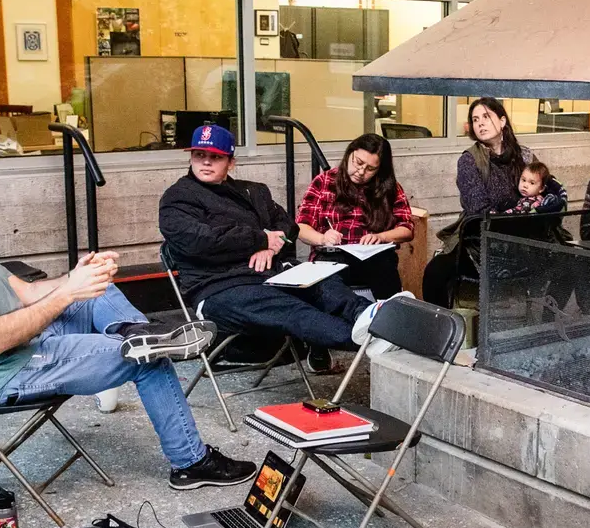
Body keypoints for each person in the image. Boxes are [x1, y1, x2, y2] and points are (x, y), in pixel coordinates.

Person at [0, 145, 256, 490]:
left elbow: (27, 293)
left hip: (22, 348)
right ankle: (191, 462)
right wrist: (68, 292)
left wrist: (79, 278)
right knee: (147, 359)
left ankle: (138, 332)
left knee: (100, 292)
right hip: (2, 374)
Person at [158, 124, 410, 371]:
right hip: (220, 286)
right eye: (199, 155)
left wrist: (270, 247)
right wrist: (260, 239)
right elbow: (200, 240)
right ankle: (370, 341)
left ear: (230, 163)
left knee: (323, 279)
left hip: (272, 272)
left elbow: (289, 226)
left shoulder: (253, 191)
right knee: (294, 311)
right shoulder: (178, 197)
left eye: (215, 157)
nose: (205, 162)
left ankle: (371, 317)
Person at [422, 97, 567, 308]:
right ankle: (444, 329)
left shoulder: (525, 156)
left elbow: (548, 188)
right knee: (435, 273)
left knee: (569, 263)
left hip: (527, 237)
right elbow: (478, 209)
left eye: (486, 117)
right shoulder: (469, 160)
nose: (480, 123)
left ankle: (547, 327)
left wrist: (542, 206)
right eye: (475, 119)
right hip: (482, 240)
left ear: (502, 121)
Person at [296, 133, 414, 301]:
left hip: (373, 256)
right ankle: (352, 317)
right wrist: (323, 238)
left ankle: (390, 320)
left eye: (370, 169)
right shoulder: (324, 181)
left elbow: (407, 229)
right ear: (349, 153)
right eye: (358, 162)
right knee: (331, 283)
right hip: (333, 254)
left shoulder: (390, 188)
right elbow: (301, 227)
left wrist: (381, 237)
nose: (361, 172)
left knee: (384, 269)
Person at [496, 161, 564, 215]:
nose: (525, 185)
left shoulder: (532, 201)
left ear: (541, 188)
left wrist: (497, 215)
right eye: (523, 180)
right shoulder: (523, 196)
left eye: (532, 183)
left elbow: (515, 212)